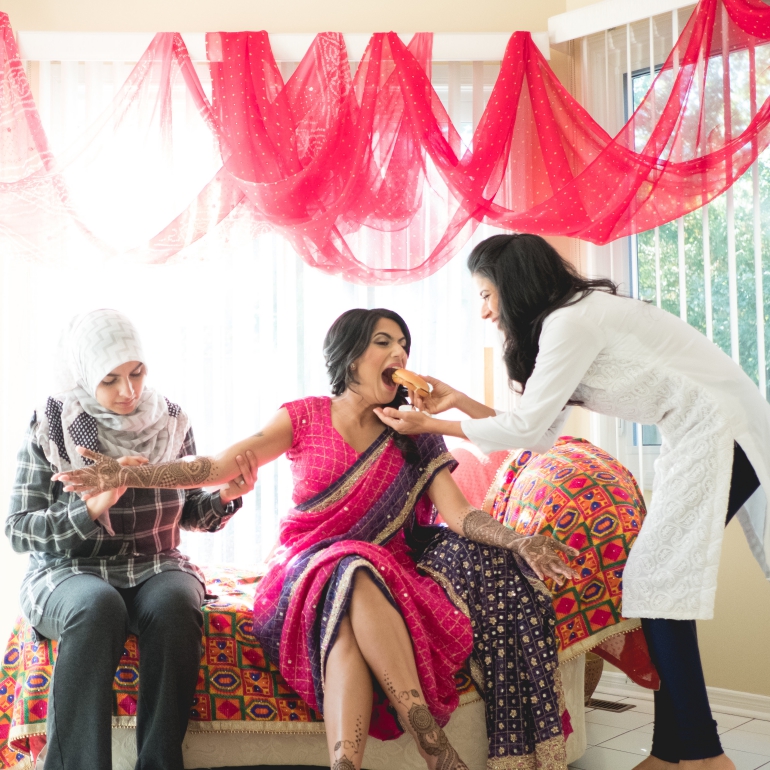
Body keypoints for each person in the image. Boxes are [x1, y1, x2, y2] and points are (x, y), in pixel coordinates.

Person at [56, 308, 579, 770]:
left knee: (349, 595)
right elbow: (214, 465)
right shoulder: (303, 415)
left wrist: (519, 543)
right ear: (350, 357)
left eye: (404, 345)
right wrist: (128, 478)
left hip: (383, 576)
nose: (399, 353)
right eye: (383, 342)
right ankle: (434, 744)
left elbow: (459, 515)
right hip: (302, 568)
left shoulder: (414, 430)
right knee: (347, 567)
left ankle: (346, 764)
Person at [375, 233, 770, 770]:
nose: (486, 311)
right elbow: (536, 432)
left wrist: (431, 423)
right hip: (699, 431)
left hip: (720, 430)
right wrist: (458, 403)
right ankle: (674, 751)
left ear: (514, 286)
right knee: (654, 583)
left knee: (657, 582)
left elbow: (529, 425)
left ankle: (703, 755)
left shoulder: (572, 322)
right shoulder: (571, 321)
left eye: (488, 295)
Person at [5, 309, 257, 770]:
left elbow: (190, 512)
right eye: (110, 379)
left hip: (155, 564)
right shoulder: (53, 422)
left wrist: (224, 496)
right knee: (96, 607)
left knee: (175, 605)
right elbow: (19, 529)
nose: (129, 391)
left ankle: (159, 764)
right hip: (69, 571)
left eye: (137, 373)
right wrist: (91, 507)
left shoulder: (171, 421)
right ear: (85, 375)